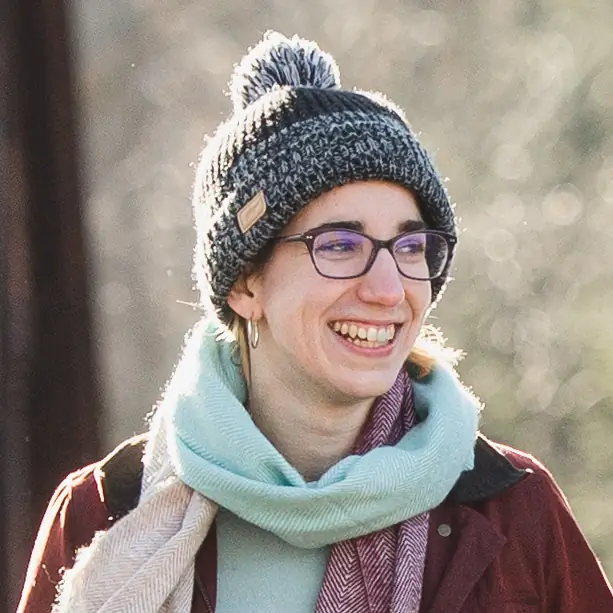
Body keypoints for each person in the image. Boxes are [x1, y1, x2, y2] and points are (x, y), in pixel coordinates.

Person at [17, 31, 613, 613]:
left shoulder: (513, 511)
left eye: (410, 248)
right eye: (339, 244)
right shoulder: (107, 512)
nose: (387, 290)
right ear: (246, 284)